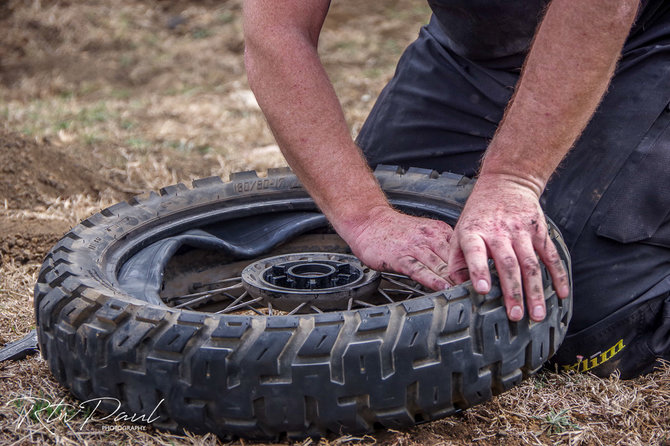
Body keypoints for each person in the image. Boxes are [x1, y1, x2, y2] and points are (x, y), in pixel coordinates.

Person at [242, 0, 670, 378]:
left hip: (648, 33)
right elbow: (276, 31)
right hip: (475, 49)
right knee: (366, 266)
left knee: (584, 319)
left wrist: (512, 178)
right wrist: (364, 215)